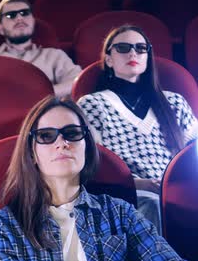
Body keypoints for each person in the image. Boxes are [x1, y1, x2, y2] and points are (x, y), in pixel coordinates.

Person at [0, 96, 198, 261]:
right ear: (32, 153)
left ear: (87, 145)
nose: (62, 143)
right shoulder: (2, 227)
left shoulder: (119, 214)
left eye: (72, 133)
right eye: (46, 136)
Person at [77, 25, 198, 235]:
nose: (133, 53)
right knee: (151, 203)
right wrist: (139, 184)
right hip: (127, 191)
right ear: (108, 59)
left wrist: (174, 184)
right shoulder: (93, 104)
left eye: (141, 48)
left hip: (178, 188)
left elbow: (193, 152)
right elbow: (91, 164)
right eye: (123, 47)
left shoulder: (174, 102)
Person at [0, 0, 81, 97]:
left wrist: (41, 95)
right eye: (11, 15)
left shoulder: (54, 56)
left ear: (32, 21)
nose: (19, 18)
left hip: (43, 114)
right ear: (0, 29)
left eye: (24, 13)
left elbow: (77, 81)